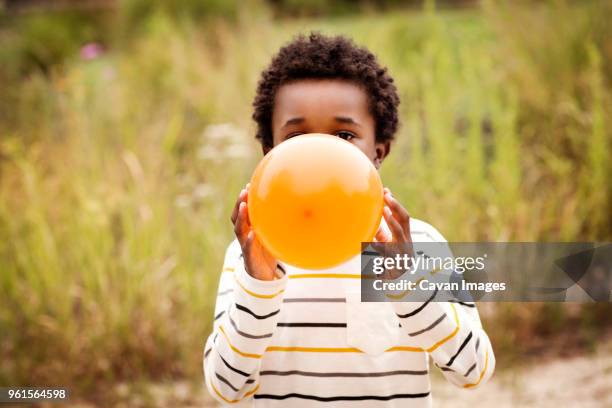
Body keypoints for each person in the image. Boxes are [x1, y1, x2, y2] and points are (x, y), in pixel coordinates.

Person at [203, 32, 495, 407]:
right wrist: (259, 285)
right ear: (269, 152)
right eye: (297, 136)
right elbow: (226, 388)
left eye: (343, 134)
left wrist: (406, 280)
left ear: (378, 151)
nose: (320, 152)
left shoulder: (417, 243)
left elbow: (473, 371)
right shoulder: (251, 256)